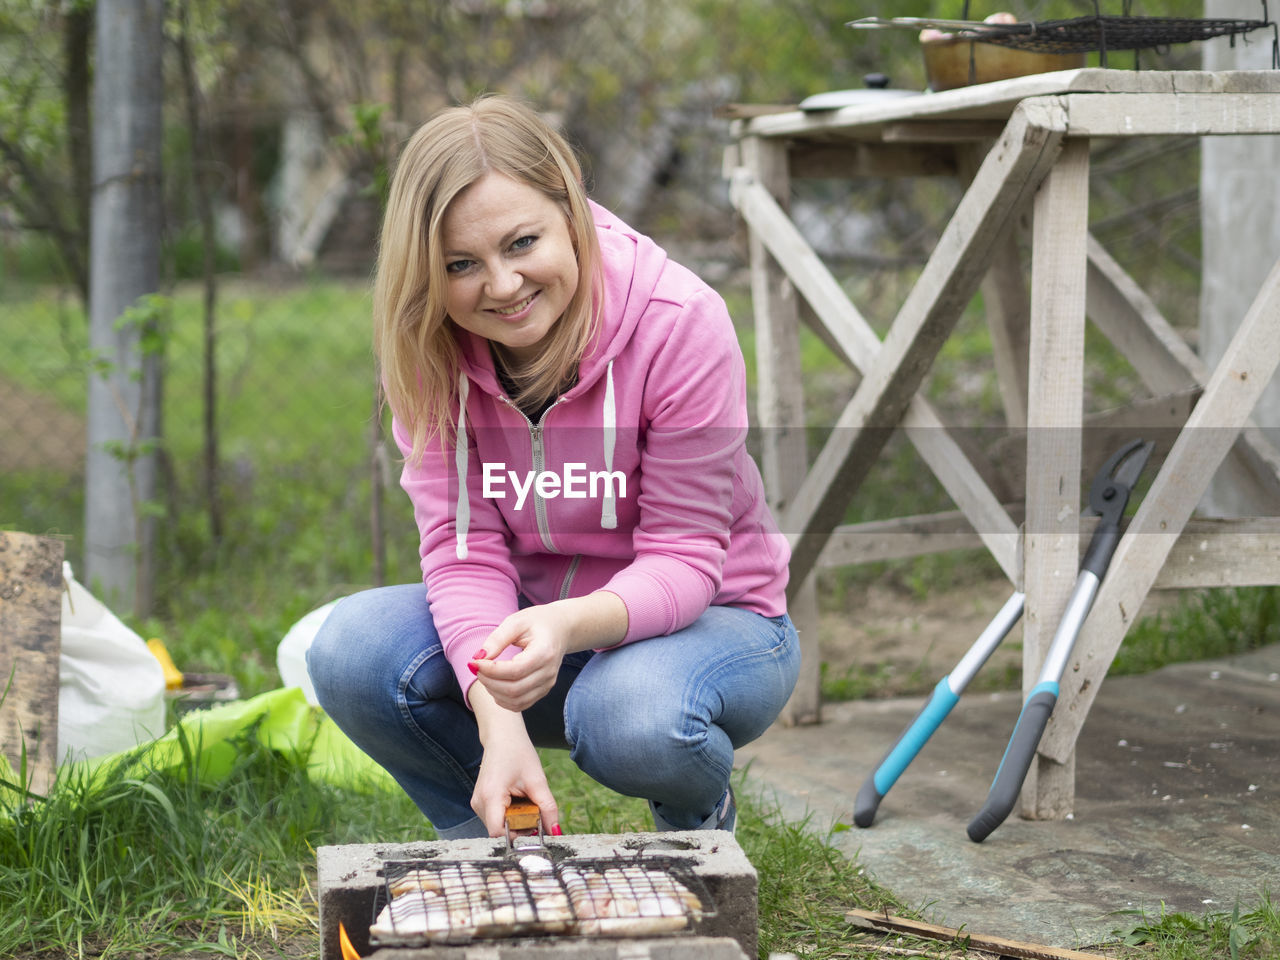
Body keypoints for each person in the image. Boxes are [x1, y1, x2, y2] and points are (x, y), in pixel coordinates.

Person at [307, 94, 799, 841]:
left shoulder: (679, 322)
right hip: (533, 639)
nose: (501, 286)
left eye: (522, 243)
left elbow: (686, 557)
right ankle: (498, 838)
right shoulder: (428, 349)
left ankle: (699, 827)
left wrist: (559, 625)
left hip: (711, 627)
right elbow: (463, 551)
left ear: (570, 209)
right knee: (352, 650)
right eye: (460, 265)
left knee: (628, 716)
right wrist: (497, 715)